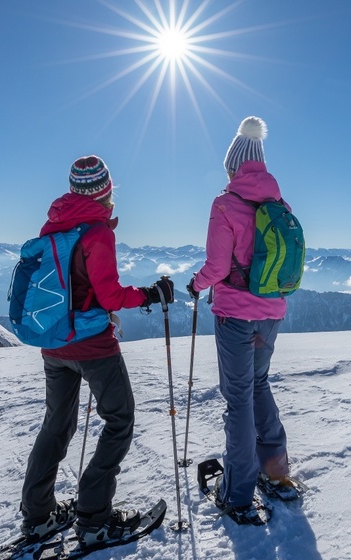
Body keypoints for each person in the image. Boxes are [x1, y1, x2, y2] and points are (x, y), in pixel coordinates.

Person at [19, 155, 174, 543]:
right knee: (119, 421)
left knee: (56, 424)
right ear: (106, 190)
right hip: (92, 345)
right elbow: (108, 294)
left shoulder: (53, 225)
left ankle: (38, 515)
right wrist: (150, 294)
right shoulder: (98, 232)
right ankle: (93, 520)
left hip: (54, 343)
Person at [187, 117, 297, 525]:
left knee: (238, 400)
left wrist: (196, 285)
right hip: (271, 314)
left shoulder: (225, 204)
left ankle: (237, 494)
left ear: (233, 166)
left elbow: (216, 266)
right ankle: (277, 473)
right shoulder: (280, 205)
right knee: (259, 385)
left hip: (235, 315)